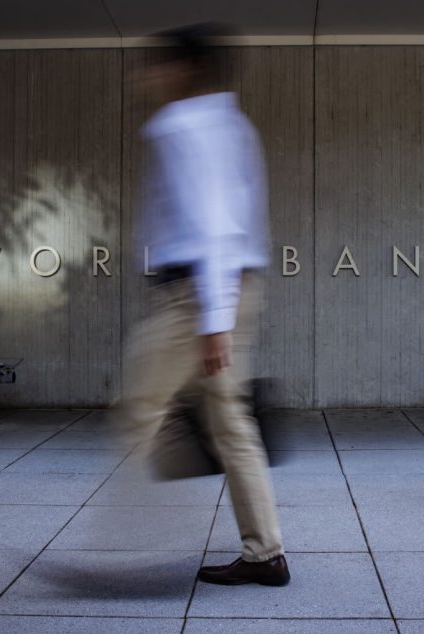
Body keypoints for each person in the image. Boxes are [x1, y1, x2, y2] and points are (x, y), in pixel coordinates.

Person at [117, 24, 288, 585]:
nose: (147, 77)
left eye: (155, 66)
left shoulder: (182, 125)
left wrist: (213, 321)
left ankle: (132, 548)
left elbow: (215, 225)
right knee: (230, 423)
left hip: (197, 295)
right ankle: (266, 554)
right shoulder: (233, 124)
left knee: (140, 404)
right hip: (231, 287)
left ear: (183, 69)